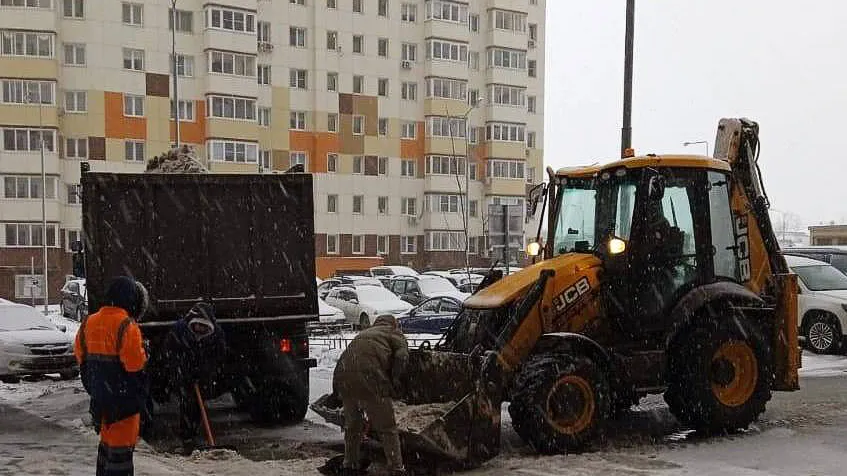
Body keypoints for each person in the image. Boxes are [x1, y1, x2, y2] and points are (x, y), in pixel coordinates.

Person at [75, 276, 149, 476]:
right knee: (121, 457)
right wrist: (144, 353)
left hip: (101, 401)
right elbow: (135, 366)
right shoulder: (127, 326)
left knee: (106, 452)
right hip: (124, 405)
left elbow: (80, 355)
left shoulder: (89, 322)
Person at [322, 314, 409, 476]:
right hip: (371, 379)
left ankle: (350, 464)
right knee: (387, 428)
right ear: (394, 324)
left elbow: (343, 360)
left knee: (353, 426)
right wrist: (396, 380)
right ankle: (397, 468)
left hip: (345, 378)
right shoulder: (394, 333)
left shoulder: (363, 334)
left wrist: (337, 391)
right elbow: (402, 356)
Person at [157, 302, 226, 451]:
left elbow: (217, 357)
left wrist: (203, 371)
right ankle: (187, 436)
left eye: (204, 326)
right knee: (187, 400)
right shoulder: (179, 332)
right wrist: (184, 371)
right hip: (183, 372)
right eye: (198, 325)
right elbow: (170, 354)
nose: (200, 329)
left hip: (202, 373)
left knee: (199, 401)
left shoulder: (216, 335)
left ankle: (194, 431)